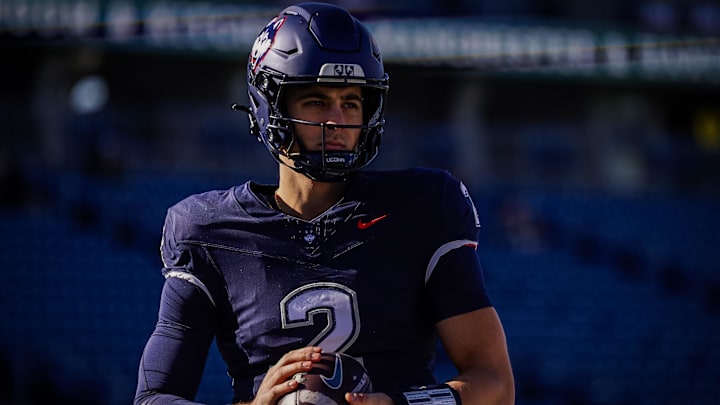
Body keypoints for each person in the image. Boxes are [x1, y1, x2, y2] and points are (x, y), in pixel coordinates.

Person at [134, 2, 514, 405]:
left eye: (351, 103)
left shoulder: (423, 207)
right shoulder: (208, 231)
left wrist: (400, 404)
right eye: (316, 101)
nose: (337, 121)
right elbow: (154, 397)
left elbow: (494, 383)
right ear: (270, 107)